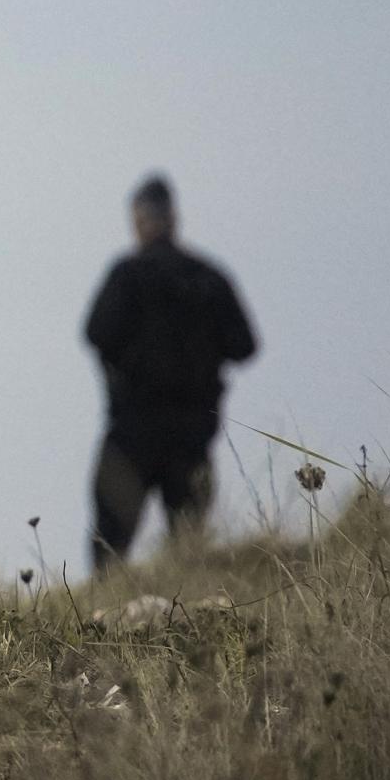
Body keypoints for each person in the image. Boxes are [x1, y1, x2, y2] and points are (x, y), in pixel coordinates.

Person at [83, 174, 258, 569]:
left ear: (139, 220)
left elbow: (95, 334)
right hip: (191, 435)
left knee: (109, 550)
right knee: (188, 550)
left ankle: (103, 623)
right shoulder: (206, 278)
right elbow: (244, 346)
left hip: (132, 435)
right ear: (174, 217)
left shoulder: (127, 276)